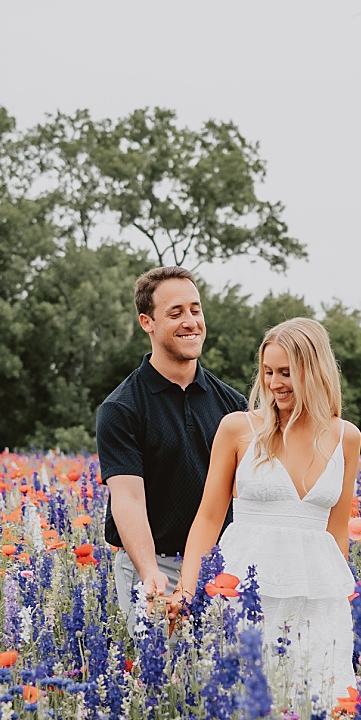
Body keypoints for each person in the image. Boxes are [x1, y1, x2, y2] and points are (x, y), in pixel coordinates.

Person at [176, 317, 361, 713]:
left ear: (314, 372)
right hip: (245, 590)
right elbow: (209, 518)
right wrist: (187, 589)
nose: (275, 383)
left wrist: (338, 601)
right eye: (268, 372)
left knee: (322, 709)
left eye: (287, 372)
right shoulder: (238, 429)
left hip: (317, 599)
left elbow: (337, 529)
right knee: (244, 708)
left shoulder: (346, 436)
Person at [97, 266, 251, 628]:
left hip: (219, 564)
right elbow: (128, 499)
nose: (191, 322)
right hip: (155, 565)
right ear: (147, 322)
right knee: (157, 678)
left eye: (195, 310)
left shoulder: (232, 404)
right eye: (176, 312)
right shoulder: (122, 408)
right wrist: (150, 572)